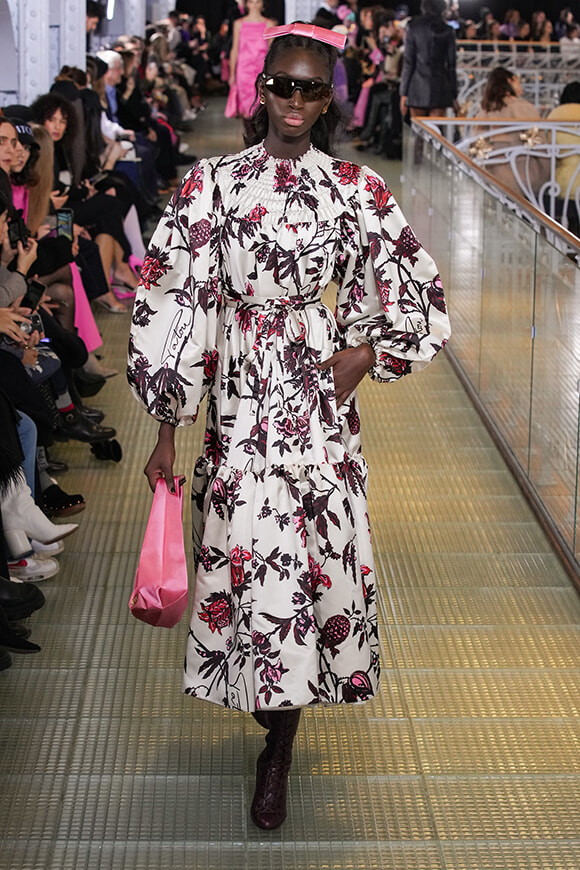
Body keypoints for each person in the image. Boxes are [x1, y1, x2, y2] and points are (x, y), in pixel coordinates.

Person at [128, 20, 451, 832]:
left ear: (328, 98)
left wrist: (365, 351)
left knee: (304, 568)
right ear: (261, 89)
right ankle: (267, 707)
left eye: (311, 88)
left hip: (315, 405)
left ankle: (279, 746)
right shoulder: (213, 186)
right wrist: (167, 425)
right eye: (283, 85)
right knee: (246, 567)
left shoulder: (354, 188)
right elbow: (178, 299)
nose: (296, 100)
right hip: (236, 401)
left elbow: (418, 287)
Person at [478, 66, 550, 198]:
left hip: (490, 179)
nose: (521, 86)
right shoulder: (523, 108)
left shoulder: (483, 113)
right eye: (517, 80)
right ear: (509, 81)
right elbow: (540, 145)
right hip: (523, 179)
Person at [399, 0, 458, 122]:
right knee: (435, 131)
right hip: (440, 86)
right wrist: (454, 94)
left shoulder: (413, 27)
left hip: (417, 87)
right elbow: (451, 65)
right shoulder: (448, 30)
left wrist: (404, 93)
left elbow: (409, 62)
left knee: (418, 130)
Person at [225, 0, 276, 126]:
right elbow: (235, 49)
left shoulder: (269, 24)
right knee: (246, 107)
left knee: (261, 104)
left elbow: (272, 51)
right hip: (244, 70)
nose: (254, 5)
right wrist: (232, 74)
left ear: (262, 4)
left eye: (257, 2)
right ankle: (249, 136)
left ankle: (259, 135)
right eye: (251, 2)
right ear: (247, 4)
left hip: (262, 69)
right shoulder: (239, 24)